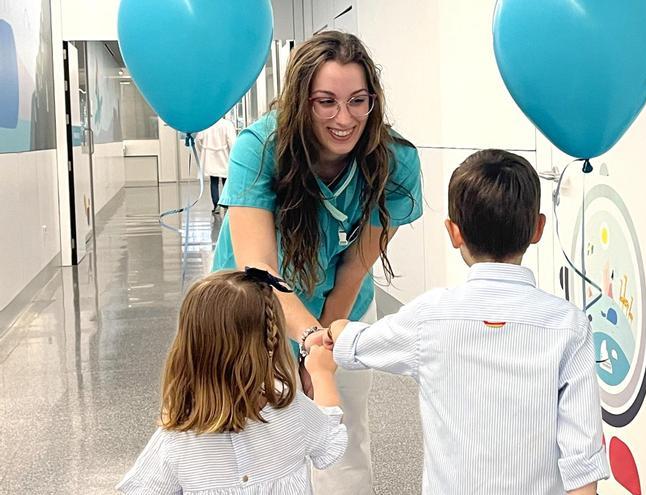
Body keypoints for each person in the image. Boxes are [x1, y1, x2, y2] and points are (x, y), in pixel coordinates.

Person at [310, 150, 609, 494]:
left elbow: (358, 346)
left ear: (454, 233)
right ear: (537, 229)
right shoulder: (568, 325)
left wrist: (336, 330)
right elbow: (581, 453)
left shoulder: (429, 317)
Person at [211, 30, 422, 493]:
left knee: (339, 435)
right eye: (325, 101)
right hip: (251, 307)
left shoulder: (395, 161)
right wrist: (308, 339)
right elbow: (259, 267)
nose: (343, 118)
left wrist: (321, 350)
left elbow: (353, 268)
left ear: (373, 100)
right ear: (301, 100)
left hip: (340, 309)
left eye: (357, 101)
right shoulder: (261, 148)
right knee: (250, 440)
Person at [117, 268, 347, 494]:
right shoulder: (289, 410)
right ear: (271, 344)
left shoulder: (179, 435)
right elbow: (329, 442)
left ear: (188, 350)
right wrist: (322, 374)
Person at [196, 116, 237, 214]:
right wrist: (233, 156)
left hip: (210, 157)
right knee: (226, 182)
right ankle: (226, 203)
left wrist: (203, 151)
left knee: (213, 182)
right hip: (224, 157)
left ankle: (216, 206)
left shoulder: (207, 124)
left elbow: (198, 139)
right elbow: (232, 142)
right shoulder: (227, 124)